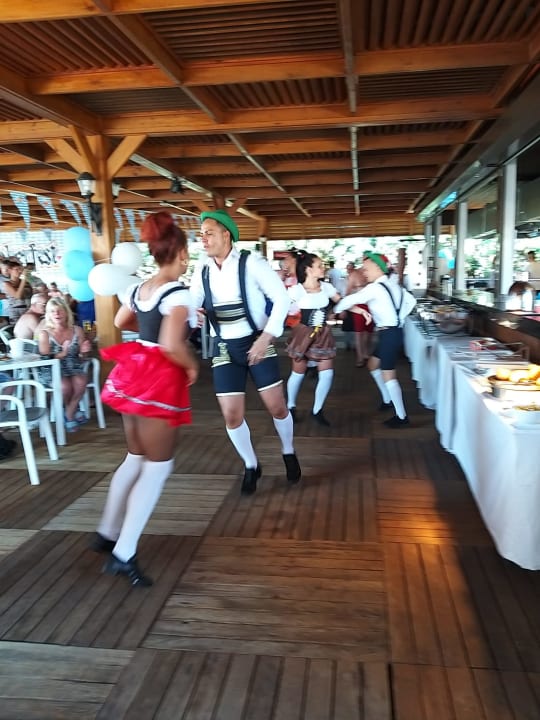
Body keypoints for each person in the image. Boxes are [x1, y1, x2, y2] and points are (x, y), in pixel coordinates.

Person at [94, 211, 198, 587]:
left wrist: (151, 333)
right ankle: (124, 553)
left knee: (135, 457)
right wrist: (191, 365)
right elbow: (171, 344)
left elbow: (122, 322)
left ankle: (107, 531)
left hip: (134, 371)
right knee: (157, 468)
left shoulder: (140, 288)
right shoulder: (179, 293)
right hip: (158, 380)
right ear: (181, 253)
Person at [190, 209, 301, 495]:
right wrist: (194, 314)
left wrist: (266, 338)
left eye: (209, 233)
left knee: (277, 406)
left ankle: (288, 450)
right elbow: (192, 301)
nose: (203, 239)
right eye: (201, 235)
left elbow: (281, 299)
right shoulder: (202, 268)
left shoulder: (252, 263)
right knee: (231, 415)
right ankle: (251, 464)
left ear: (226, 235)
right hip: (224, 346)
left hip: (256, 341)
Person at [334, 252, 416, 428]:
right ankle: (387, 399)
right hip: (392, 332)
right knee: (372, 364)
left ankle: (402, 416)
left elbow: (351, 299)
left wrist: (336, 309)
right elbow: (411, 301)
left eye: (367, 268)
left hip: (389, 334)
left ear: (379, 268)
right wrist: (399, 319)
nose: (364, 272)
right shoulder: (392, 284)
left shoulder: (375, 288)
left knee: (389, 375)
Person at [285, 251, 345, 426]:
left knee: (327, 373)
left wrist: (340, 312)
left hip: (323, 334)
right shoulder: (296, 290)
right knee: (298, 373)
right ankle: (291, 406)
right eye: (319, 266)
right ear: (309, 269)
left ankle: (317, 410)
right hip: (303, 335)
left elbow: (341, 302)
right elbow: (281, 309)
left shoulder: (326, 287)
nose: (323, 268)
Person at [36, 297, 92, 432]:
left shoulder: (77, 330)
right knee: (65, 386)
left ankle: (69, 412)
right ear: (48, 315)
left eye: (60, 310)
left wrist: (84, 352)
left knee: (80, 382)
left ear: (66, 312)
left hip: (73, 365)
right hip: (52, 367)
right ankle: (72, 413)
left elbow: (81, 356)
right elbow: (44, 357)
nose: (57, 313)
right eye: (52, 311)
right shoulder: (44, 333)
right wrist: (61, 354)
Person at [343, 263, 374, 367]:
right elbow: (347, 292)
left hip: (371, 304)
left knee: (369, 332)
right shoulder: (354, 275)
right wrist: (344, 308)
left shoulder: (372, 272)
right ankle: (360, 356)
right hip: (360, 305)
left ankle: (365, 352)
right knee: (359, 332)